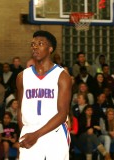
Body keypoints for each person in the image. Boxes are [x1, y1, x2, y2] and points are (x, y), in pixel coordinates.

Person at [16, 30, 72, 160]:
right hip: (29, 132)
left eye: (40, 43)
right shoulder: (22, 76)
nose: (35, 47)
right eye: (33, 44)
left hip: (55, 133)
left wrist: (37, 135)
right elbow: (20, 108)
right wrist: (24, 132)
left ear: (50, 49)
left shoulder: (62, 76)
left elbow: (63, 113)